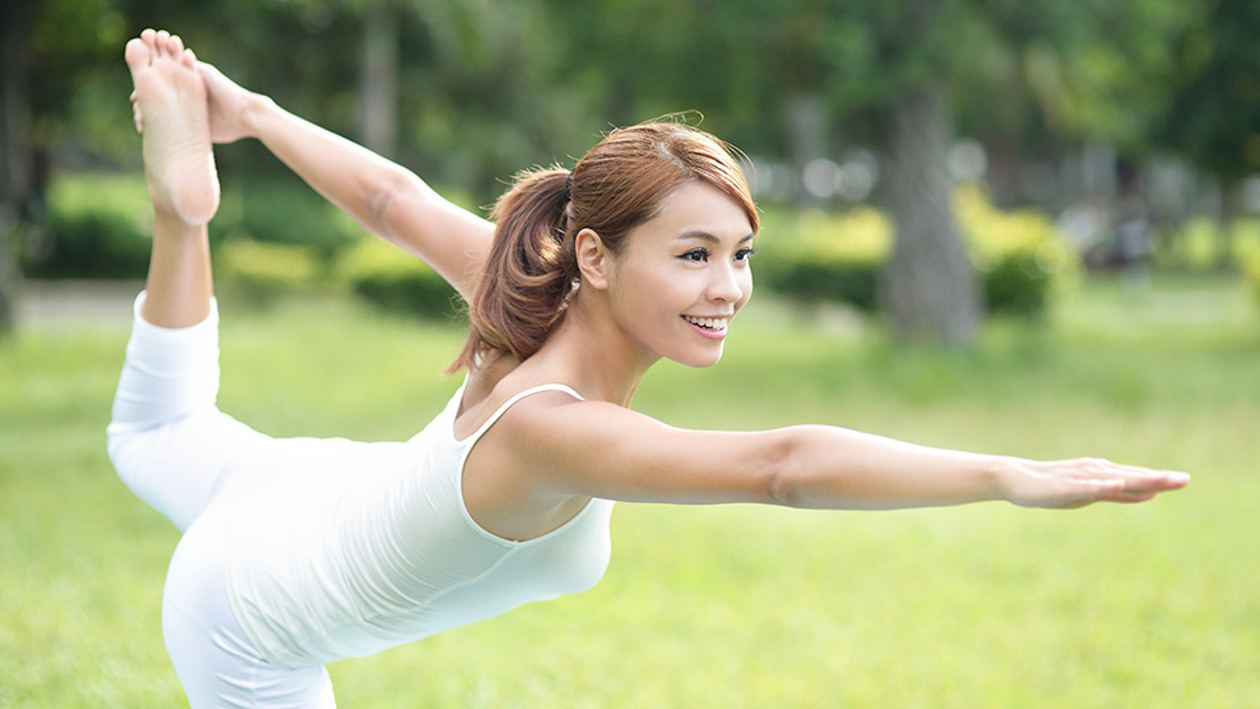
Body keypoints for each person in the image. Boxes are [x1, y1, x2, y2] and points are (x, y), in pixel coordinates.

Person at [109, 29, 1189, 708]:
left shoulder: (522, 290)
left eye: (739, 255)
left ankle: (180, 216)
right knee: (151, 437)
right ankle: (185, 210)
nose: (728, 287)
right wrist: (1009, 473)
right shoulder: (552, 425)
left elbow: (393, 202)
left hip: (296, 494)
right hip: (247, 614)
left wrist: (248, 113)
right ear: (596, 255)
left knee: (150, 432)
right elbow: (783, 463)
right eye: (692, 255)